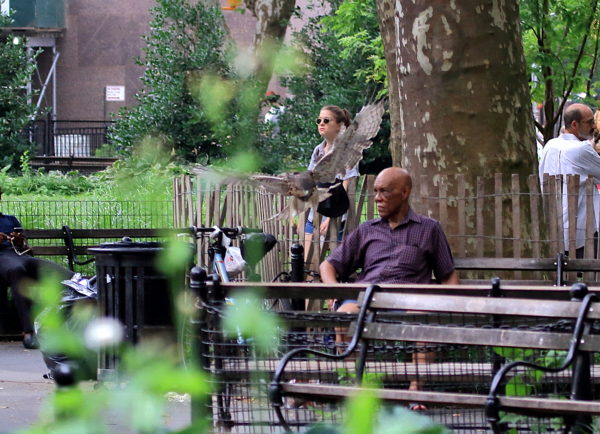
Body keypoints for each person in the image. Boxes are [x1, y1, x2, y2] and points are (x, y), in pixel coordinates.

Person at [319, 167, 459, 406]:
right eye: (375, 192)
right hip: (367, 300)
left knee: (423, 318)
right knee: (344, 316)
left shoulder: (428, 228)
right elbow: (329, 265)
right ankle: (359, 391)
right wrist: (335, 290)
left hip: (409, 302)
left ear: (404, 193)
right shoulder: (367, 230)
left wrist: (447, 303)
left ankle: (415, 392)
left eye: (385, 191)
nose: (377, 198)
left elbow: (448, 274)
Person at [0, 206, 72, 349]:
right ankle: (29, 332)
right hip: (2, 258)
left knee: (66, 275)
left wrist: (20, 241)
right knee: (17, 271)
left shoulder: (10, 219)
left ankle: (71, 324)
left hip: (21, 256)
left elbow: (27, 249)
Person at [538, 103, 600, 258]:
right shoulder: (580, 149)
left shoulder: (550, 145)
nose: (594, 126)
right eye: (590, 122)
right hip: (581, 232)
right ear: (574, 124)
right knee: (589, 276)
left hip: (552, 229)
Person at [305, 105, 358, 252]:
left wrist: (329, 219)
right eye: (319, 120)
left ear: (339, 126)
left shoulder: (346, 151)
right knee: (309, 266)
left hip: (336, 216)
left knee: (336, 265)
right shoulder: (318, 150)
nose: (321, 123)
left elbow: (346, 185)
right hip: (314, 215)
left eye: (326, 120)